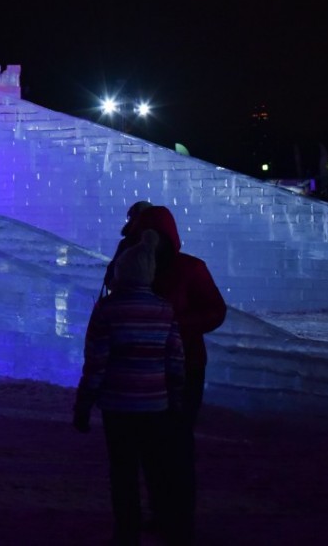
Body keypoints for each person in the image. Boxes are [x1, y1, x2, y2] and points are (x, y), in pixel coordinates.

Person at [117, 204, 227, 540]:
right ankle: (162, 511)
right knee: (150, 446)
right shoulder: (136, 265)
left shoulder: (190, 268)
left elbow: (215, 311)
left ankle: (178, 515)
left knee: (176, 444)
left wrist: (175, 325)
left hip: (184, 367)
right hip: (144, 370)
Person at [75, 231, 186, 545]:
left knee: (122, 471)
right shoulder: (164, 309)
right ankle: (163, 524)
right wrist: (176, 399)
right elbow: (175, 360)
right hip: (155, 404)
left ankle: (127, 530)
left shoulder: (108, 310)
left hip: (119, 404)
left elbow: (95, 362)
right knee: (155, 467)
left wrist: (83, 403)